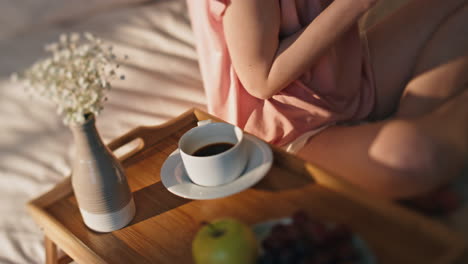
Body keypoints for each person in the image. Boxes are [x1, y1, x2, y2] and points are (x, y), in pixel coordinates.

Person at [187, 0, 468, 198]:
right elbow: (260, 81)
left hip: (345, 79)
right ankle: (407, 147)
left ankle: (406, 127)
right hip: (286, 130)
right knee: (415, 155)